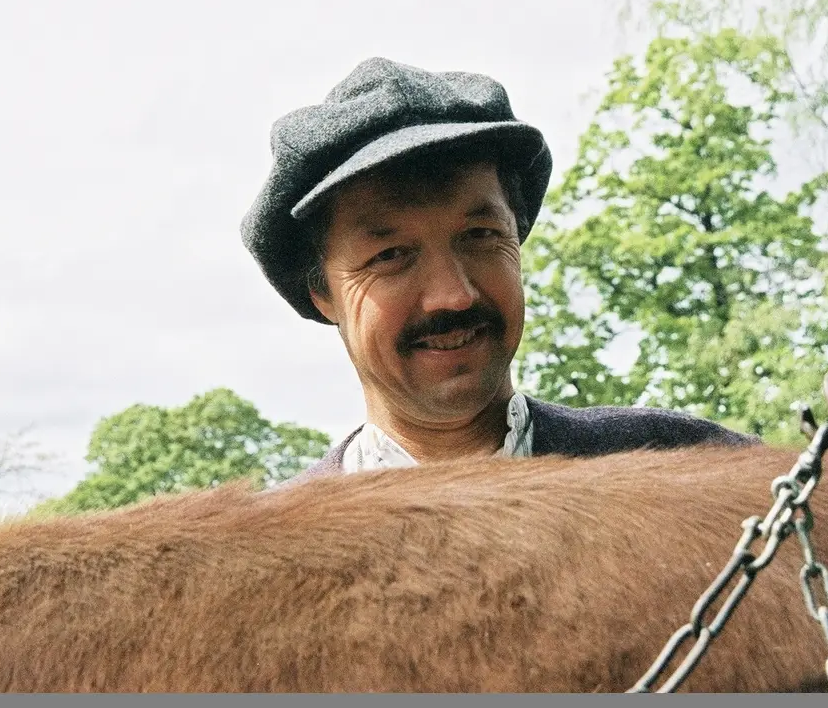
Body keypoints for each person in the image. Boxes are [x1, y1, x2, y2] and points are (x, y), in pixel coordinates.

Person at [241, 58, 757, 486]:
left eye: (481, 236)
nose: (454, 296)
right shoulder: (261, 563)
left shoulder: (698, 477)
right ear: (321, 292)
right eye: (391, 255)